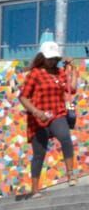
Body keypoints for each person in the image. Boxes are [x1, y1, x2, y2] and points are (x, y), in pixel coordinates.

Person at [20, 39, 78, 197]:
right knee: (39, 154)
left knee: (65, 137)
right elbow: (23, 97)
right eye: (49, 58)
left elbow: (71, 89)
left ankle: (71, 174)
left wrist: (72, 70)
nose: (52, 61)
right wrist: (35, 111)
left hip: (57, 113)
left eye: (54, 58)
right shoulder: (35, 73)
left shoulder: (60, 72)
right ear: (43, 57)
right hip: (38, 118)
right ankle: (35, 189)